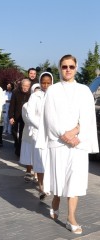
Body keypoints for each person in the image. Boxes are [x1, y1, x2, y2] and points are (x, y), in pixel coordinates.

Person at [36, 54, 98, 234]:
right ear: (60, 68)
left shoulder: (84, 90)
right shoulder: (53, 91)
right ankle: (55, 202)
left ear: (76, 67)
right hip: (58, 143)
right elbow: (49, 117)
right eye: (64, 67)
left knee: (75, 180)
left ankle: (71, 218)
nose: (68, 70)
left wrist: (74, 133)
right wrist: (63, 134)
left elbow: (87, 116)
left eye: (71, 66)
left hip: (78, 142)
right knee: (59, 180)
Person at [27, 73, 53, 199]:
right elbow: (30, 114)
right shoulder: (34, 96)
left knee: (49, 161)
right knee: (39, 160)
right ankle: (42, 186)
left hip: (52, 134)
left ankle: (49, 185)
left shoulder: (55, 95)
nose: (46, 85)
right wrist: (42, 126)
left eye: (48, 82)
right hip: (38, 133)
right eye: (43, 82)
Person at [19, 83, 40, 183]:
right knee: (28, 153)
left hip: (40, 134)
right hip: (29, 132)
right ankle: (28, 170)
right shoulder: (26, 105)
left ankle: (37, 173)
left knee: (38, 154)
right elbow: (26, 119)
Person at [9, 79, 31, 156]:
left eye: (27, 86)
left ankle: (19, 150)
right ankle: (16, 143)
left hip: (26, 117)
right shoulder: (15, 92)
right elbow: (12, 105)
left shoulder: (31, 94)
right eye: (24, 85)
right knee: (14, 132)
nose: (25, 87)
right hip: (16, 115)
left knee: (22, 133)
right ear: (21, 85)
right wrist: (11, 116)